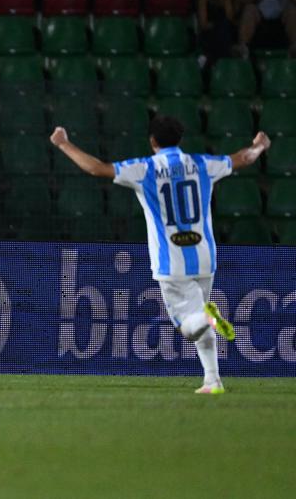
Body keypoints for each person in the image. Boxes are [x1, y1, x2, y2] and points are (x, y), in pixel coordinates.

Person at [49, 115, 273, 394]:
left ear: (152, 140)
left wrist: (63, 144)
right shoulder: (202, 164)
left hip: (171, 261)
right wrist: (259, 145)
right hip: (205, 257)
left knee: (188, 327)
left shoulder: (144, 169)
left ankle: (209, 320)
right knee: (199, 316)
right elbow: (243, 158)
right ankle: (212, 380)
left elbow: (96, 168)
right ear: (180, 138)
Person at [197, 0, 238, 65]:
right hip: (210, 32)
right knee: (220, 31)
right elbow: (203, 23)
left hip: (229, 32)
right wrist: (216, 25)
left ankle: (209, 59)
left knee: (225, 28)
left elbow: (230, 18)